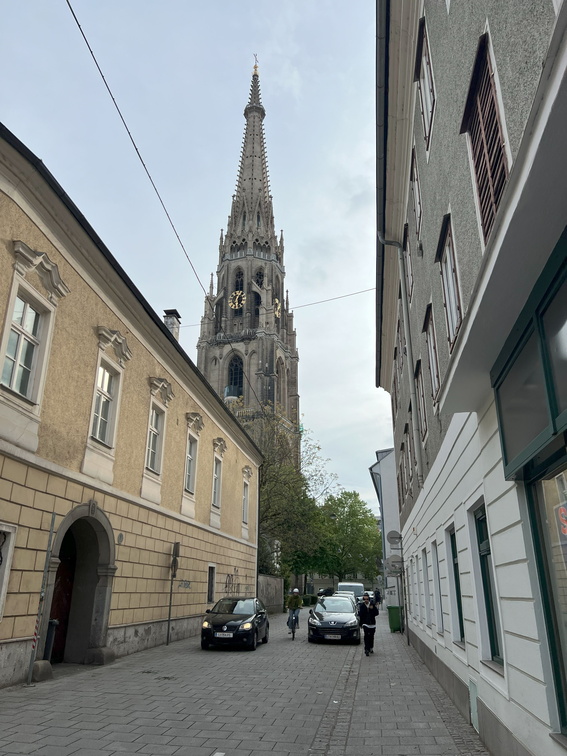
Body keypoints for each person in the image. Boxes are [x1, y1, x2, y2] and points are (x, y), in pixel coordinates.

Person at [358, 592, 379, 656]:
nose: (366, 600)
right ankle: (366, 649)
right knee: (366, 636)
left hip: (372, 623)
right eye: (364, 599)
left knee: (371, 636)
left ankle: (371, 647)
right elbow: (360, 615)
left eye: (367, 599)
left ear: (369, 599)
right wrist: (360, 624)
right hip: (365, 623)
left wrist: (372, 609)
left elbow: (376, 613)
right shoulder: (362, 606)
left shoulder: (372, 605)